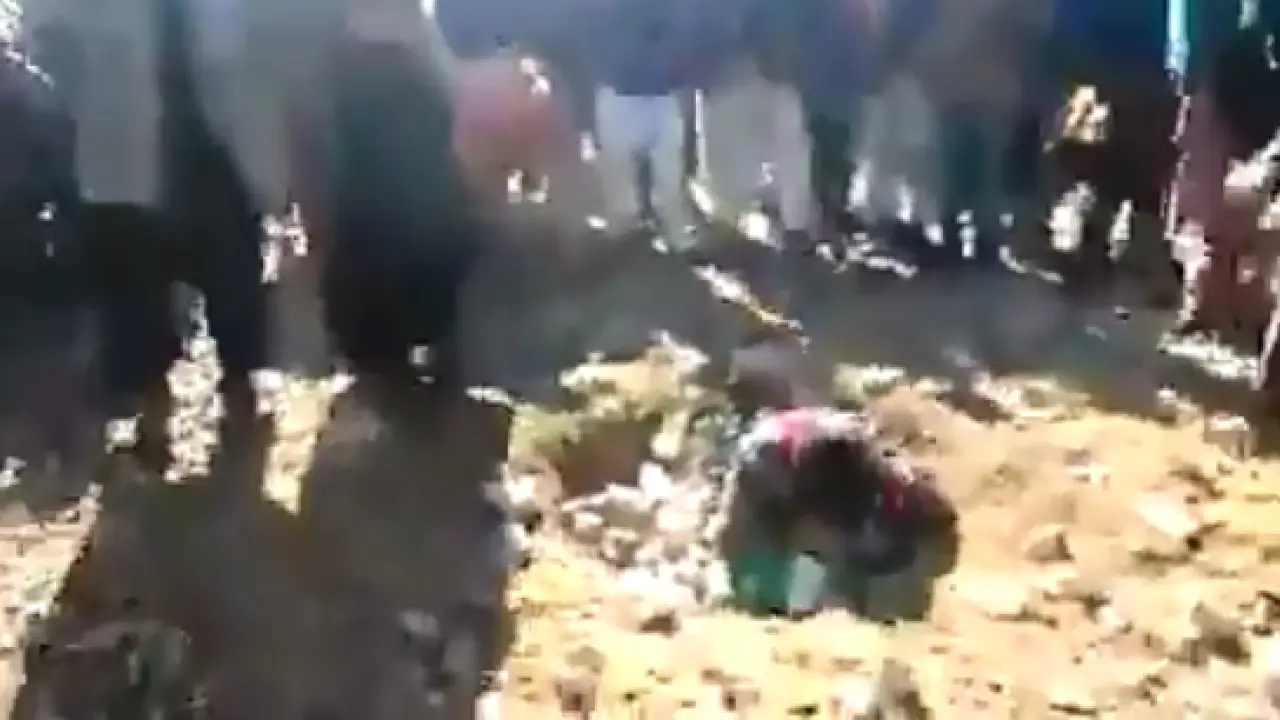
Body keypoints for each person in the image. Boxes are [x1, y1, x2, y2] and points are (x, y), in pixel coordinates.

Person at [588, 0, 709, 252]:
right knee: (620, 174)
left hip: (660, 96)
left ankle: (676, 232)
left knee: (669, 173)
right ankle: (627, 235)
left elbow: (685, 39)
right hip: (619, 94)